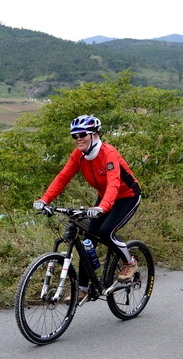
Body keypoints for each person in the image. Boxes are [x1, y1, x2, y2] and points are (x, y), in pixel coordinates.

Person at [33, 115, 142, 302]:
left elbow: (114, 183)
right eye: (74, 136)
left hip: (127, 196)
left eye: (82, 134)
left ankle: (130, 262)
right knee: (88, 241)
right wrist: (45, 199)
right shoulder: (78, 155)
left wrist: (102, 207)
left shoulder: (108, 153)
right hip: (104, 198)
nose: (78, 139)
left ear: (95, 135)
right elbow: (62, 178)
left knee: (106, 231)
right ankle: (83, 288)